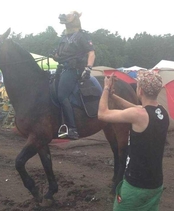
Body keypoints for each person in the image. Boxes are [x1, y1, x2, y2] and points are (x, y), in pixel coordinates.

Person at [98, 71, 169, 211]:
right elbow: (133, 107)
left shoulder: (138, 115)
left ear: (140, 90)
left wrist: (106, 88)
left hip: (136, 185)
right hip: (155, 185)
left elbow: (102, 114)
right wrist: (113, 96)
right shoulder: (161, 112)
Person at [51, 11, 95, 140]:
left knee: (62, 95)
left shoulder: (83, 35)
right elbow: (58, 56)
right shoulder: (64, 38)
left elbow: (91, 53)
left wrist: (88, 68)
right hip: (62, 68)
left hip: (74, 69)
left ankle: (72, 129)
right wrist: (55, 55)